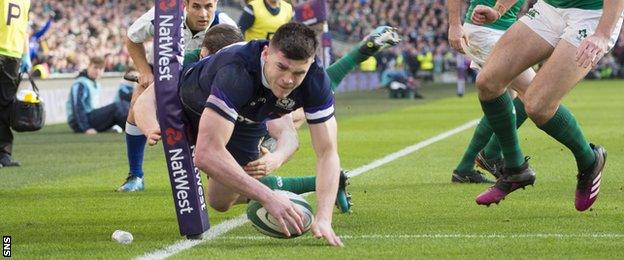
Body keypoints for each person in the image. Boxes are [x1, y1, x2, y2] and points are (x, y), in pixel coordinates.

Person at [135, 23, 343, 245]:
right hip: (190, 103)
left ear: (310, 65)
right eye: (282, 67)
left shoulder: (315, 81)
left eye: (298, 72)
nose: (288, 80)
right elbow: (205, 155)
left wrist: (324, 217)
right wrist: (267, 198)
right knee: (215, 157)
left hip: (245, 122)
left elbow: (327, 152)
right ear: (266, 54)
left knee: (220, 202)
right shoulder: (236, 70)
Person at [470, 0, 622, 211]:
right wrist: (499, 11)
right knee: (488, 81)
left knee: (537, 105)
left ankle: (589, 160)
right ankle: (515, 168)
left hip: (592, 15)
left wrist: (602, 35)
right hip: (550, 8)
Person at [117, 0, 236, 192]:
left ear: (216, 3)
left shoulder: (226, 26)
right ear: (185, 5)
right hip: (162, 74)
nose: (203, 14)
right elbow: (132, 38)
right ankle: (135, 175)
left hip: (202, 80)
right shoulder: (162, 16)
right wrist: (145, 71)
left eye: (208, 6)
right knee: (136, 105)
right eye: (196, 6)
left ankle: (222, 171)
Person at [447, 0, 536, 183]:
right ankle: (492, 154)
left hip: (506, 33)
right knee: (535, 92)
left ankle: (465, 168)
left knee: (504, 102)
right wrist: (454, 25)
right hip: (487, 33)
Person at [0, 0, 31, 167]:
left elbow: (24, 29)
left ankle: (4, 154)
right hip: (12, 54)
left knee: (6, 105)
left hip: (13, 55)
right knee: (4, 105)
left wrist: (26, 55)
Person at [66, 57, 129, 134]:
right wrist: (86, 128)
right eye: (95, 68)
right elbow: (78, 106)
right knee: (118, 107)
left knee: (124, 106)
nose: (97, 71)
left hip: (90, 117)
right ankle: (134, 129)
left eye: (100, 69)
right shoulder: (81, 83)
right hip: (79, 122)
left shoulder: (94, 83)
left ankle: (132, 128)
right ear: (88, 67)